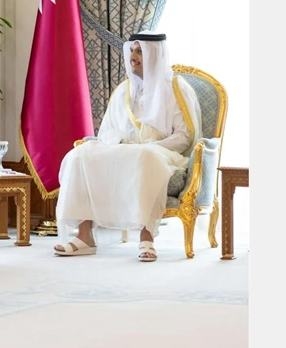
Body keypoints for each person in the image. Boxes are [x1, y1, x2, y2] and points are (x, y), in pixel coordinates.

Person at [52, 31, 201, 262]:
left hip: (163, 154)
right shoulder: (123, 90)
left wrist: (149, 145)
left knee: (145, 157)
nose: (133, 57)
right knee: (80, 155)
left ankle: (146, 236)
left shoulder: (175, 89)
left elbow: (183, 137)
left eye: (140, 51)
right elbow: (106, 132)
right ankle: (84, 236)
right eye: (131, 50)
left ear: (154, 54)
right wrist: (122, 142)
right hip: (124, 150)